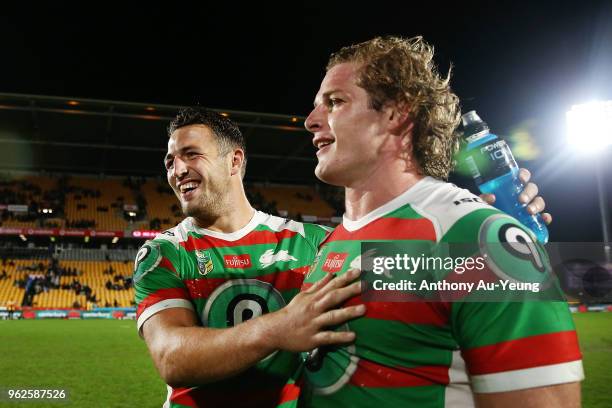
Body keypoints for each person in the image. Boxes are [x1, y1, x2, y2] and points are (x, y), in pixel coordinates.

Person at [298, 36, 582, 407]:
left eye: (335, 102)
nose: (310, 121)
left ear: (397, 113)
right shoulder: (332, 239)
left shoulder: (478, 237)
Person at [134, 108, 366, 408]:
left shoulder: (314, 242)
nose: (176, 170)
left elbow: (417, 276)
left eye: (191, 154)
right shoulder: (164, 252)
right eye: (170, 161)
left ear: (234, 160)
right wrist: (279, 328)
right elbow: (172, 359)